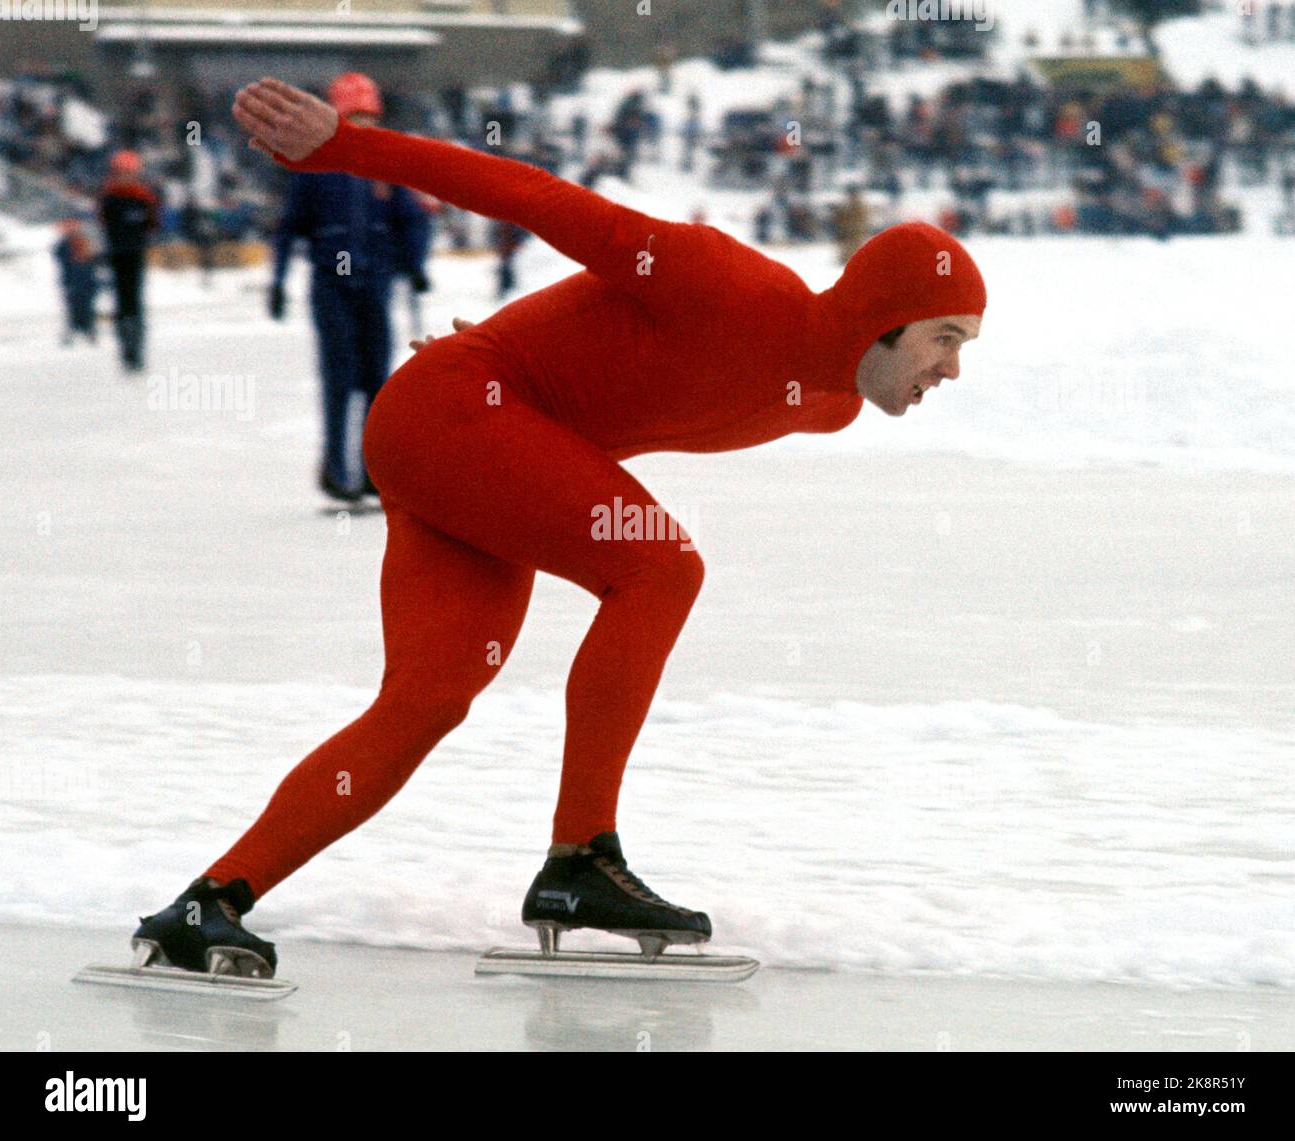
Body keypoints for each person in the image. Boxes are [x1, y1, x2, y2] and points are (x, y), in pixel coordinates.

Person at [131, 78, 986, 978]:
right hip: (454, 414)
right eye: (945, 337)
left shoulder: (828, 406)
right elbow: (537, 197)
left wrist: (496, 361)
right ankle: (581, 857)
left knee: (428, 698)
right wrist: (344, 146)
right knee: (662, 569)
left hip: (475, 433)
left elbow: (620, 373)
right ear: (885, 318)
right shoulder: (727, 284)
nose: (954, 367)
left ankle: (208, 901)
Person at [269, 72, 431, 504]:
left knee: (378, 380)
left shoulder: (387, 165)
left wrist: (415, 264)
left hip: (375, 283)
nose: (363, 127)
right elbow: (289, 229)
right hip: (332, 286)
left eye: (368, 118)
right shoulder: (314, 169)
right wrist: (279, 281)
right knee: (339, 377)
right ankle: (338, 469)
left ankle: (372, 471)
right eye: (352, 118)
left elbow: (411, 219)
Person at [97, 149, 159, 372]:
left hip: (135, 253)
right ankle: (126, 349)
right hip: (118, 253)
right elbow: (103, 223)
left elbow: (152, 225)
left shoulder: (143, 197)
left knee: (135, 301)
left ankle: (136, 348)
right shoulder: (109, 197)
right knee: (123, 302)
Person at [52, 217, 99, 346]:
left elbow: (93, 259)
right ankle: (82, 331)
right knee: (76, 308)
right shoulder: (68, 244)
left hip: (82, 281)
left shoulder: (83, 242)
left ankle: (86, 331)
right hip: (76, 281)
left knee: (83, 308)